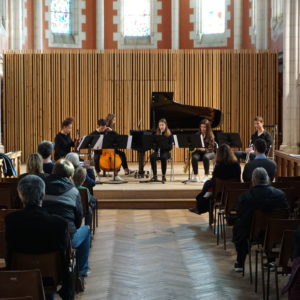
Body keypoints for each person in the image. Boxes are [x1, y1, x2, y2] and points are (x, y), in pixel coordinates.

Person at [5, 175, 74, 300]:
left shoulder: (10, 220)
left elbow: (9, 251)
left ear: (21, 196)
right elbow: (62, 255)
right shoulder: (59, 223)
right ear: (43, 195)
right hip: (51, 277)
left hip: (20, 275)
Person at [232, 167, 288, 272]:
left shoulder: (246, 196)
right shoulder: (280, 194)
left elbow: (241, 215)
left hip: (253, 232)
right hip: (276, 232)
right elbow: (286, 212)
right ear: (267, 179)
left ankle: (240, 262)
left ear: (253, 180)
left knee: (239, 227)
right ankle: (271, 260)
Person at [43, 159, 90, 277]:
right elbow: (78, 220)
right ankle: (81, 271)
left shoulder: (42, 187)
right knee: (86, 229)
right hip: (66, 239)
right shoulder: (74, 192)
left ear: (53, 171)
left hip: (43, 235)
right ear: (70, 176)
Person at [189, 144, 241, 215]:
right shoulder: (236, 165)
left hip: (219, 193)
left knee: (208, 187)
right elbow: (238, 179)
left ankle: (201, 206)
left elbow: (214, 180)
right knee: (208, 186)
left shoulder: (218, 166)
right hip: (233, 192)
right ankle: (201, 205)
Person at [150, 119, 173, 183]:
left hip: (166, 152)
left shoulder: (169, 134)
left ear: (165, 125)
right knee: (152, 156)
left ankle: (163, 176)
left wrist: (164, 147)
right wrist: (155, 148)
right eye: (160, 125)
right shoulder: (156, 134)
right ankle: (155, 176)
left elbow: (170, 147)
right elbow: (153, 144)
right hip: (158, 151)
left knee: (163, 157)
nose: (161, 127)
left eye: (162, 125)